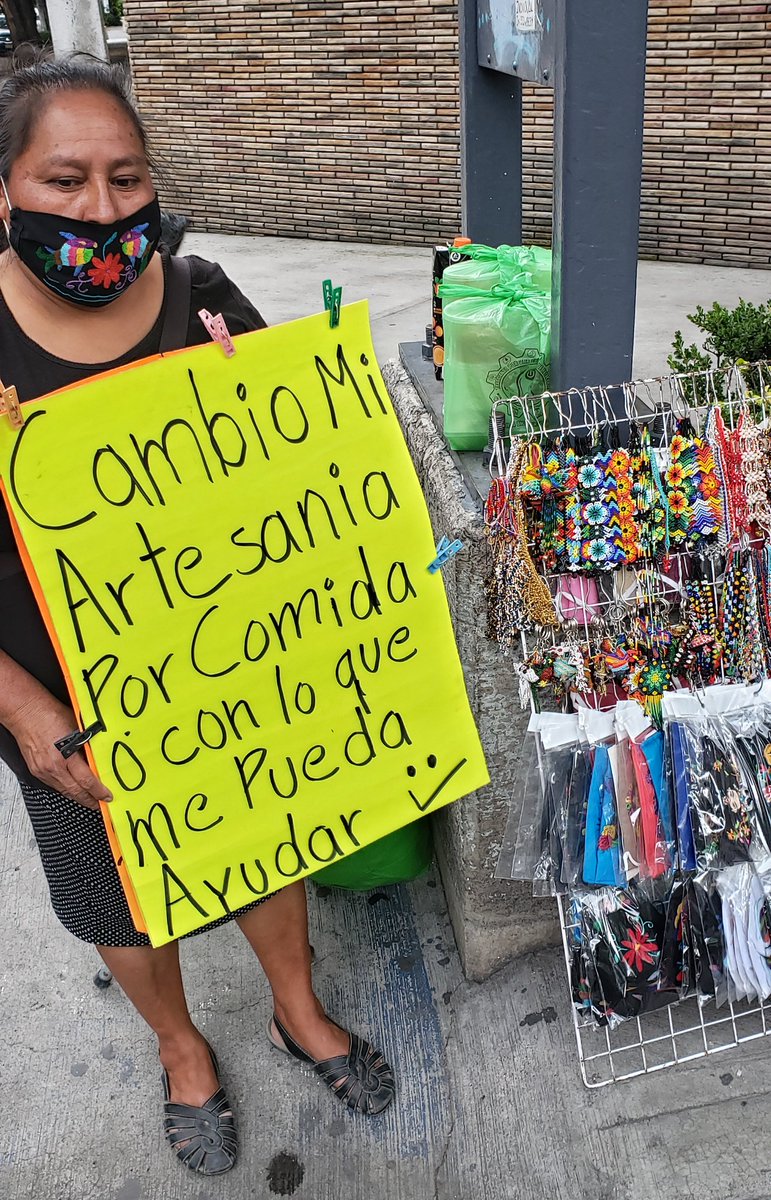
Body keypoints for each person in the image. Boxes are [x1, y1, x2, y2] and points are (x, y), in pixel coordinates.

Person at [0, 54, 394, 1177]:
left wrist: (264, 403)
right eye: (65, 181)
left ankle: (295, 1010)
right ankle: (181, 1051)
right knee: (116, 899)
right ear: (6, 193)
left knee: (264, 851)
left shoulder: (202, 295)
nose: (104, 208)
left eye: (128, 179)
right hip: (58, 706)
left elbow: (308, 479)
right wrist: (25, 712)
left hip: (227, 679)